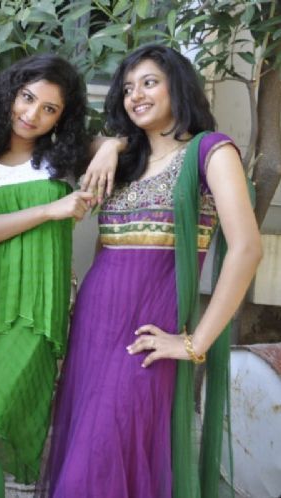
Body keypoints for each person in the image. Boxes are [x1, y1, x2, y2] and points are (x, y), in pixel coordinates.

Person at [47, 44, 262, 498]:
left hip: (147, 337)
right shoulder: (126, 161)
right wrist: (114, 144)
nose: (136, 95)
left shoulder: (210, 151)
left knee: (94, 468)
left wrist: (195, 342)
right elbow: (54, 136)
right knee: (90, 462)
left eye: (149, 83)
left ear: (178, 87)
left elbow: (246, 249)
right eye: (128, 88)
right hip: (94, 331)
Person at [0, 54, 113, 497]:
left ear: (63, 117)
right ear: (9, 93)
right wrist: (49, 210)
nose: (32, 115)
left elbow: (127, 140)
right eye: (27, 98)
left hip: (34, 314)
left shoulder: (63, 159)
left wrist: (108, 147)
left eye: (50, 109)